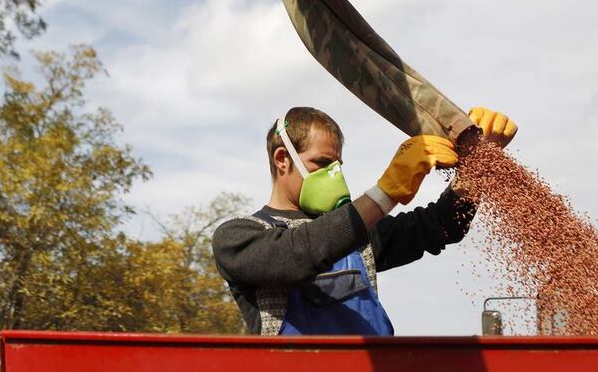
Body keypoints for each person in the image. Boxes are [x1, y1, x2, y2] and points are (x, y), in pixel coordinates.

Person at [211, 106, 516, 335]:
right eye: (322, 163)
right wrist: (385, 193)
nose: (335, 175)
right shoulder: (238, 237)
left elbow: (440, 226)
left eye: (338, 165)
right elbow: (297, 255)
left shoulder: (360, 236)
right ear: (282, 159)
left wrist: (478, 167)